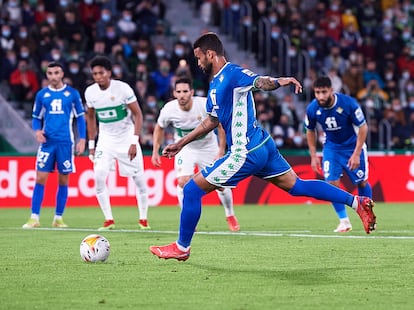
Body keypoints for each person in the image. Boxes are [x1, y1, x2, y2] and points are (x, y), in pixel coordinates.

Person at [149, 32, 376, 261]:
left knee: (191, 190)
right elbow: (211, 120)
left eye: (199, 58)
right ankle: (357, 202)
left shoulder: (233, 73)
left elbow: (259, 82)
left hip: (245, 150)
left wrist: (279, 81)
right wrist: (181, 143)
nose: (198, 64)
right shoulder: (215, 85)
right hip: (262, 145)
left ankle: (182, 247)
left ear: (210, 54)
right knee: (298, 186)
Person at [151, 77, 240, 231]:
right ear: (174, 93)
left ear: (192, 92)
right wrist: (155, 151)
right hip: (184, 148)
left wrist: (220, 150)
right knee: (182, 182)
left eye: (185, 91)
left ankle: (230, 214)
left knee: (220, 184)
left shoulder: (204, 104)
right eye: (178, 92)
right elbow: (159, 127)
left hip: (208, 147)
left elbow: (220, 125)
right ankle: (187, 219)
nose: (182, 95)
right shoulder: (168, 109)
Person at [84, 56, 150, 231]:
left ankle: (143, 220)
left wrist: (134, 141)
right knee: (98, 176)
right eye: (95, 74)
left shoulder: (122, 89)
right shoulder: (90, 92)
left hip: (126, 138)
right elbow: (90, 118)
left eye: (101, 73)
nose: (98, 77)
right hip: (105, 141)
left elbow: (138, 114)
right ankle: (108, 220)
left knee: (139, 180)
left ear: (109, 73)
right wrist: (91, 145)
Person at [305, 76, 373, 233]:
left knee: (361, 182)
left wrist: (356, 154)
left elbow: (363, 128)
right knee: (331, 184)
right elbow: (310, 130)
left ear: (331, 90)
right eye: (317, 92)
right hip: (331, 148)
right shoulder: (312, 108)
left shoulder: (348, 104)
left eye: (323, 92)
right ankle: (344, 221)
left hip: (353, 146)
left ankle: (368, 213)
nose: (320, 96)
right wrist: (313, 155)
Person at [22, 62, 86, 228]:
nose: (53, 76)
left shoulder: (72, 94)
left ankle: (58, 218)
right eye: (50, 73)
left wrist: (82, 139)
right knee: (40, 178)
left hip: (66, 142)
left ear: (62, 74)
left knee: (64, 180)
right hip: (47, 142)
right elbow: (36, 117)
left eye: (56, 73)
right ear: (47, 75)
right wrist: (37, 131)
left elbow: (80, 117)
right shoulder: (42, 95)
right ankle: (34, 217)